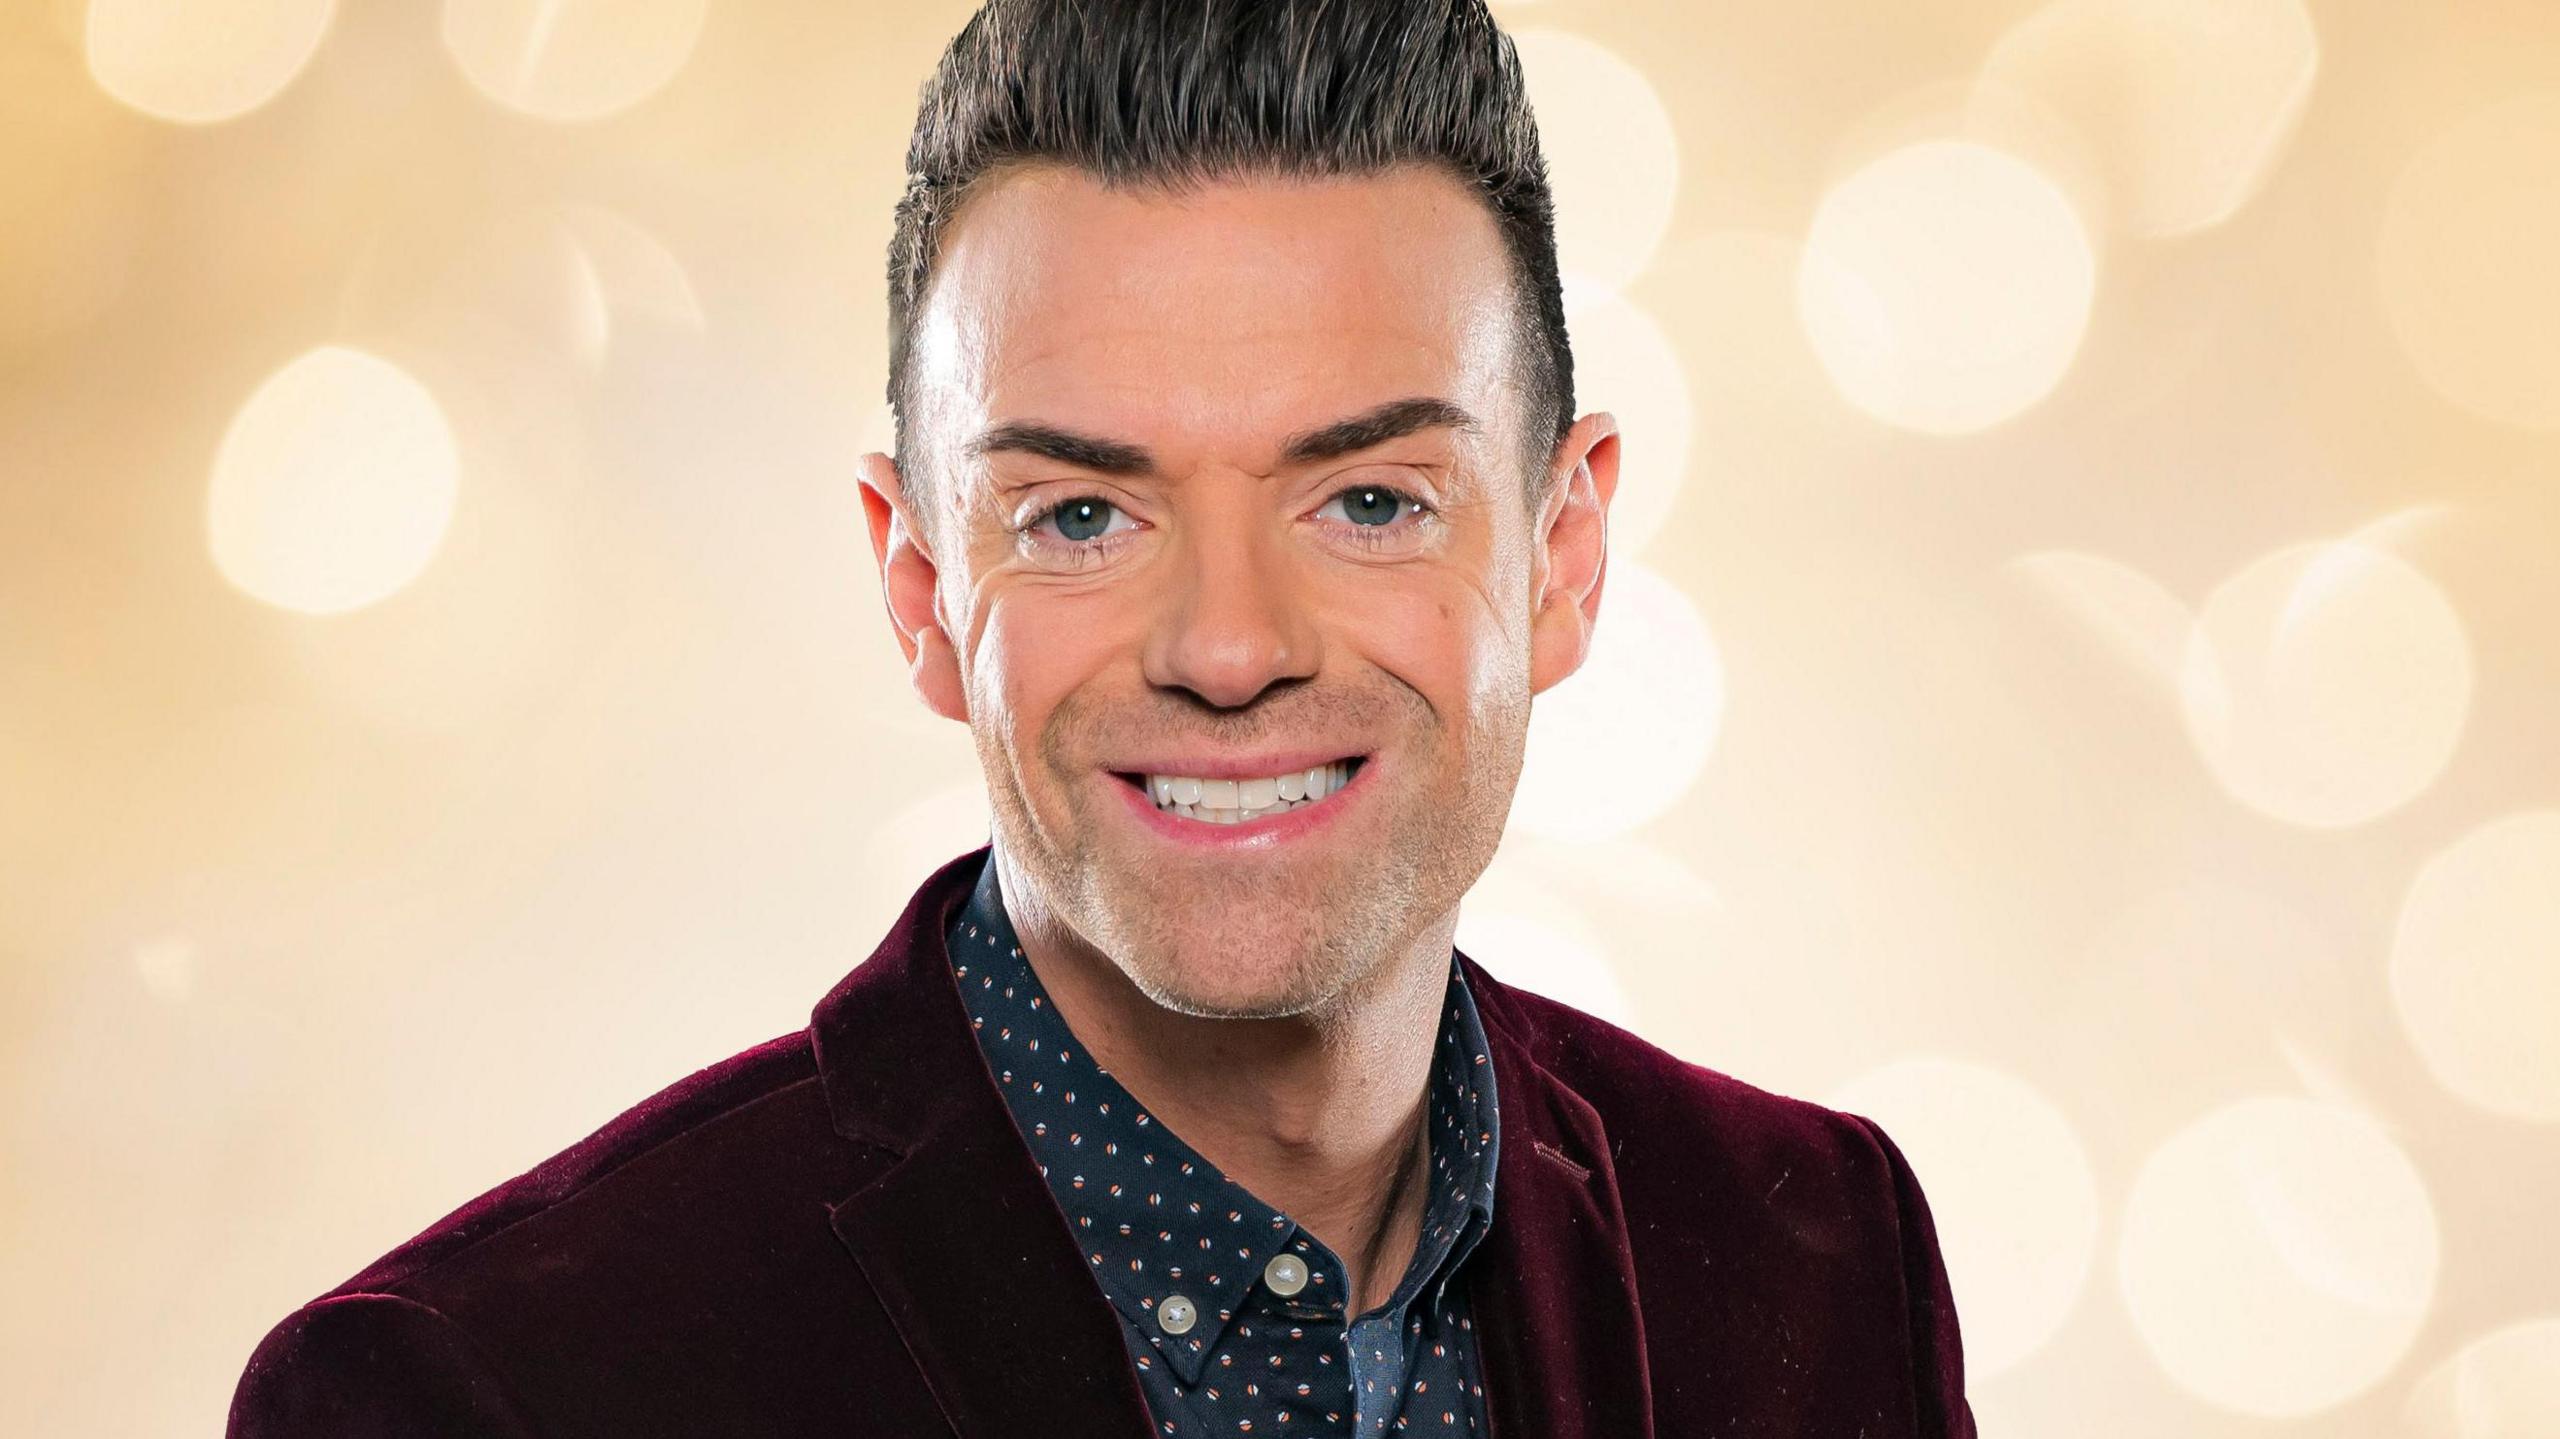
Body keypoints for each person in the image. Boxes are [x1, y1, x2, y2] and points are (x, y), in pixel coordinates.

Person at [229, 1, 1975, 1434]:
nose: (1228, 648)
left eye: (1369, 501)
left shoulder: (1819, 1257)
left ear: (1564, 557)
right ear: (921, 592)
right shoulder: (475, 1394)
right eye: (1082, 516)